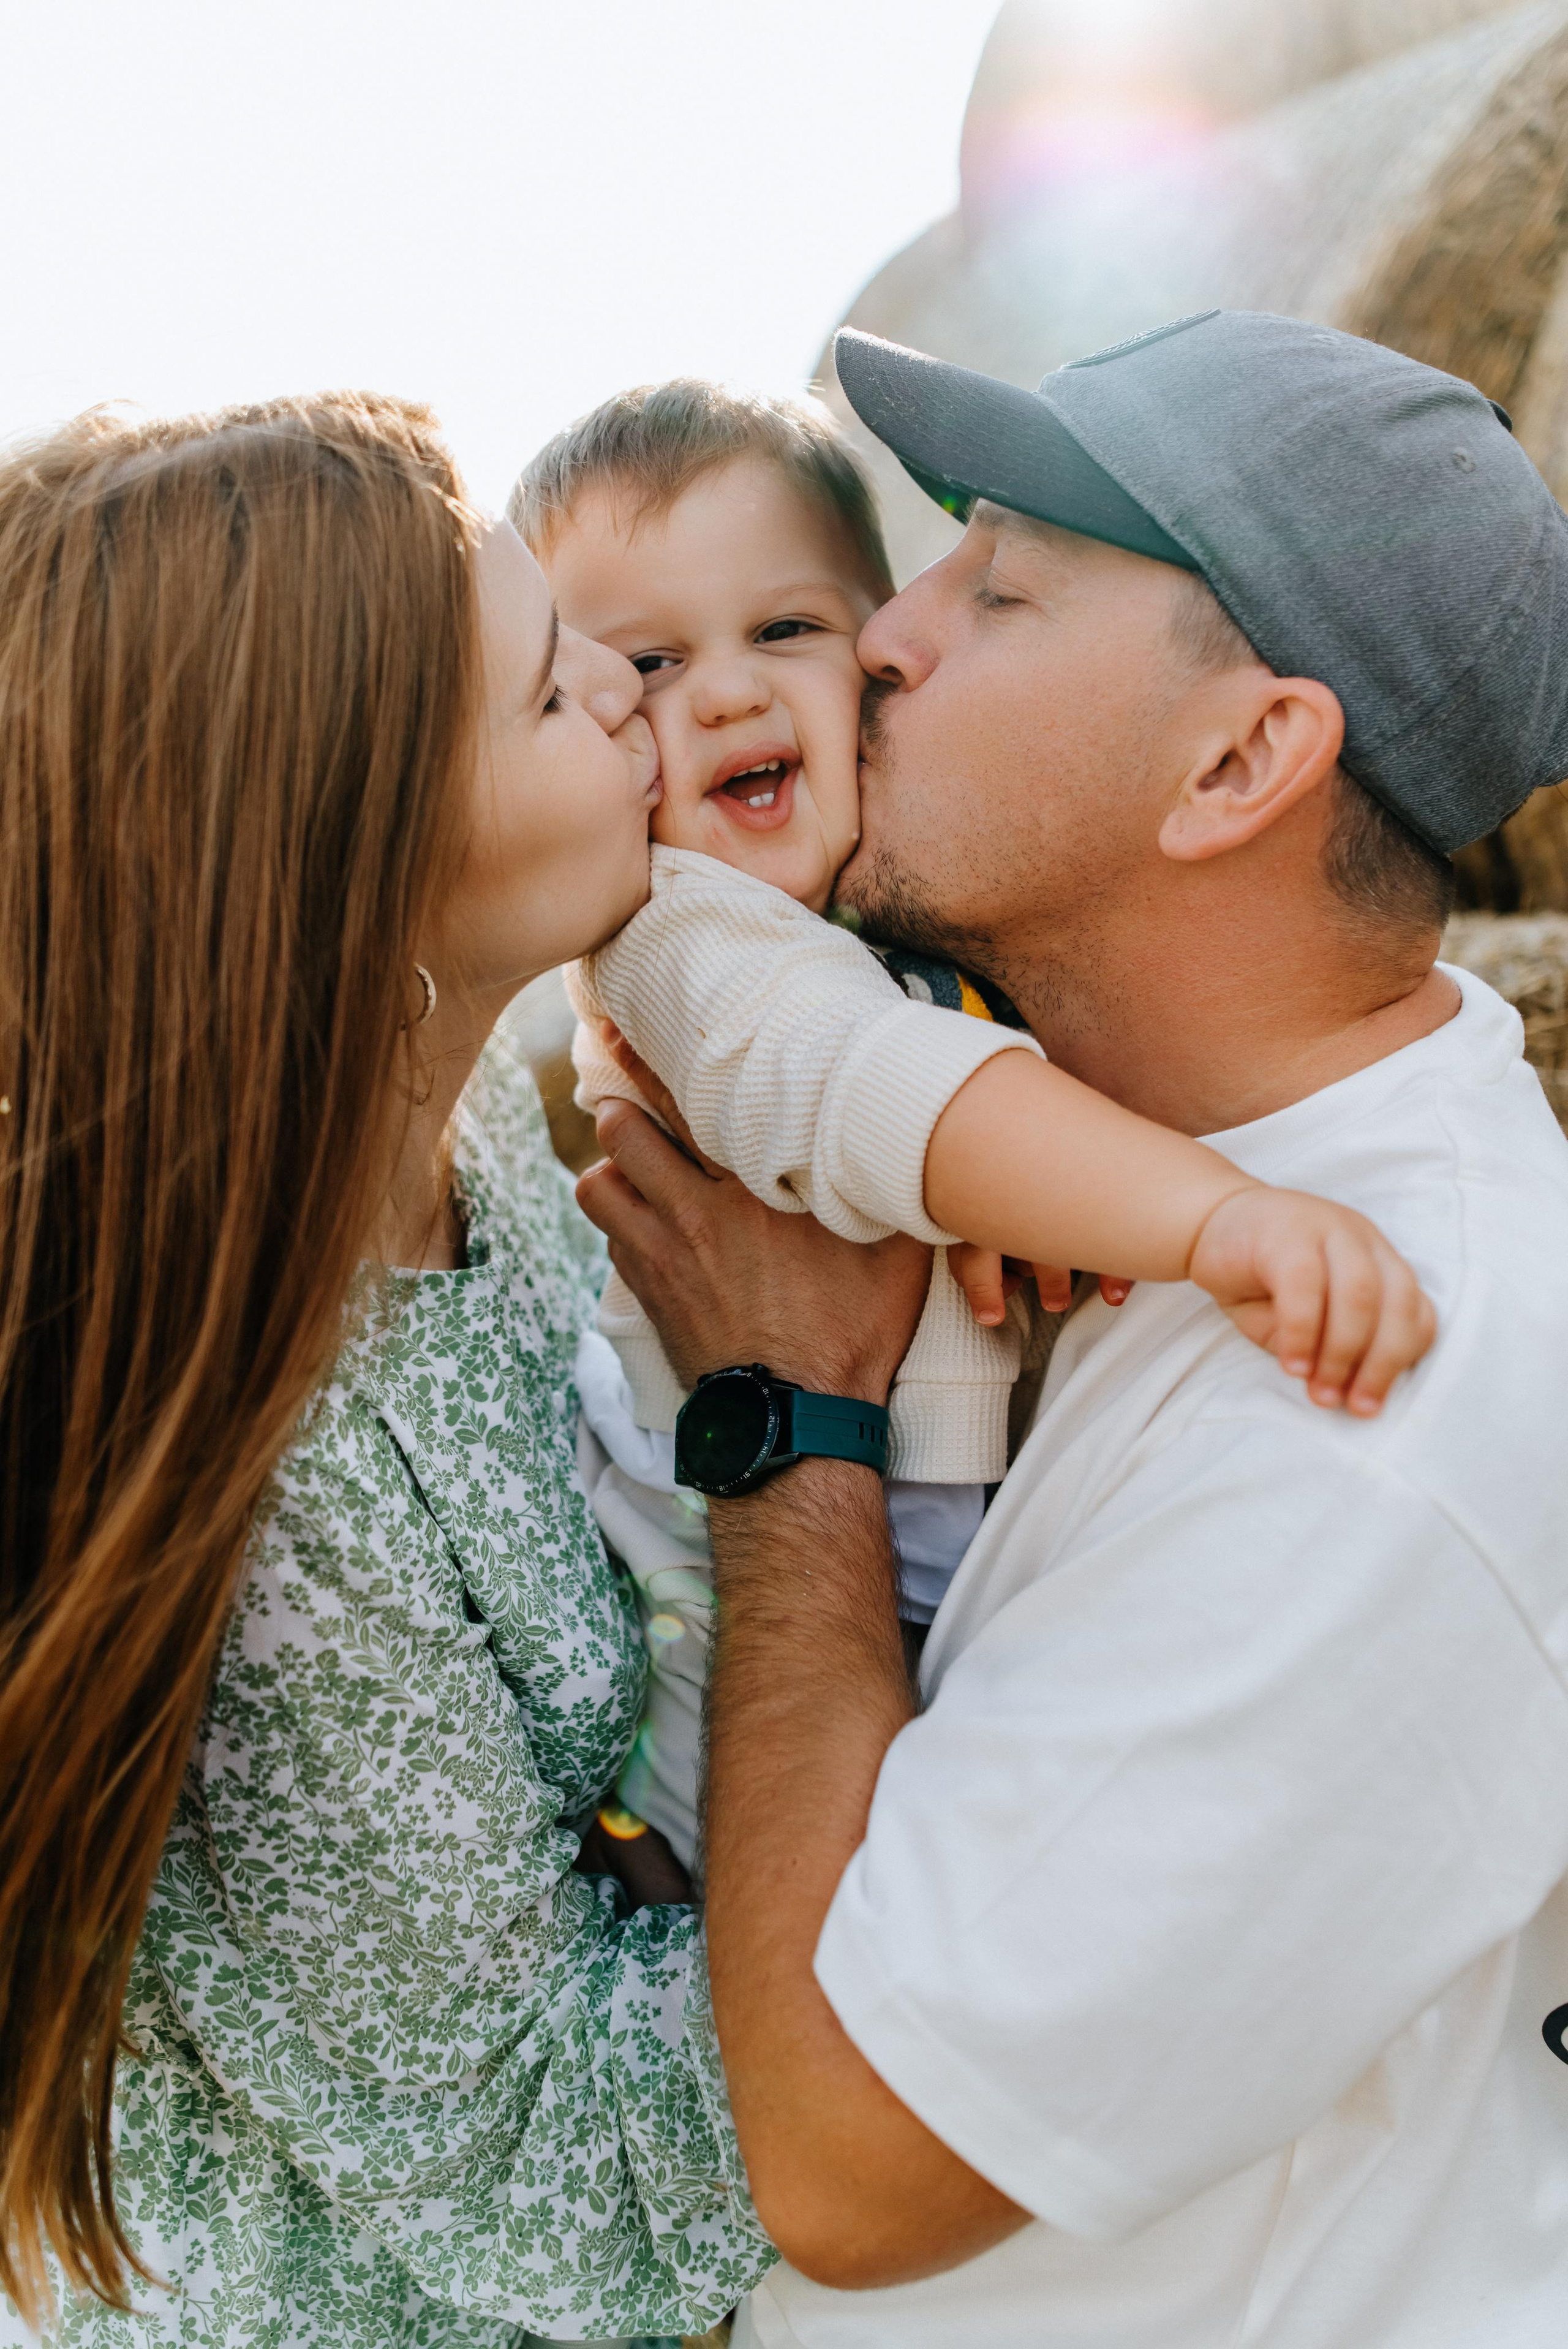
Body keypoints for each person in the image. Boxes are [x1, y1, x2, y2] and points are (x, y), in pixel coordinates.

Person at [576, 311, 1568, 2348]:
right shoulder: (1170, 1164)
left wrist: (790, 1417)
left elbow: (849, 2165)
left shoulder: (1374, 1406)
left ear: (1239, 761)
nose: (881, 639)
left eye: (1000, 588)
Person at [0, 396, 774, 2347]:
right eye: (542, 693)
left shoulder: (457, 1137)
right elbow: (579, 2186)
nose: (622, 687)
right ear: (338, 867)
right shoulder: (268, 1495)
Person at [517, 380, 1436, 1873]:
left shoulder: (897, 904)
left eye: (789, 631)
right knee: (817, 1887)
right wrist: (1210, 1216)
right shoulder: (681, 936)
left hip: (925, 1534)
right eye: (649, 664)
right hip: (722, 1580)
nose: (731, 696)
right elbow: (862, 1082)